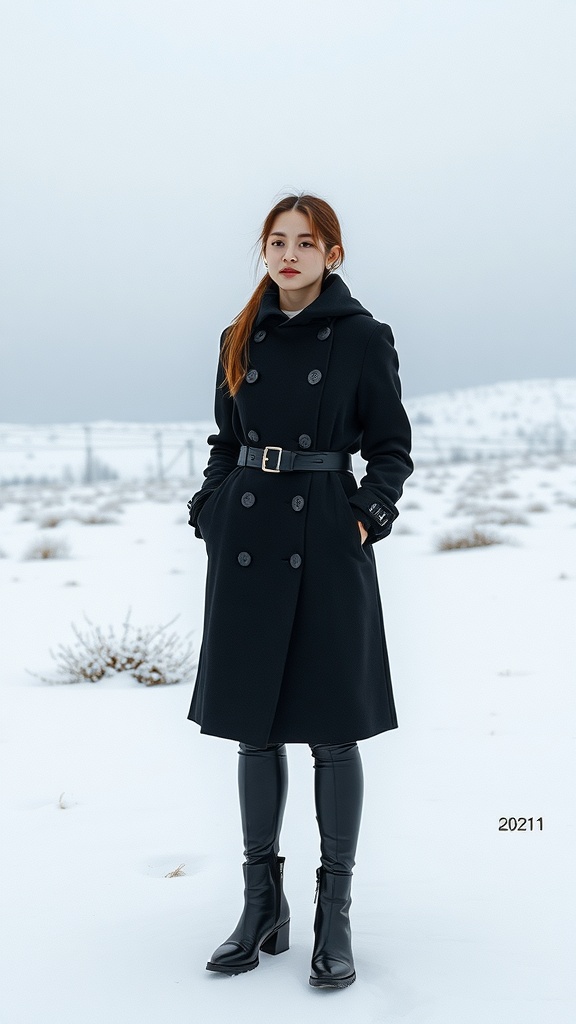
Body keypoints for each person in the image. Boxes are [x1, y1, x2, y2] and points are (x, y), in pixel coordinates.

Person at [187, 193, 413, 988]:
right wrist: (210, 510)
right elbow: (226, 439)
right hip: (247, 539)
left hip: (324, 541)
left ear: (333, 255)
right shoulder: (236, 336)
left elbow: (390, 449)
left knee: (331, 733)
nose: (289, 255)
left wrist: (360, 520)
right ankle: (261, 908)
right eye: (277, 242)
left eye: (306, 243)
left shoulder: (362, 339)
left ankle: (335, 916)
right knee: (254, 730)